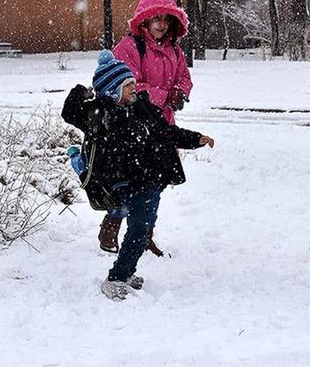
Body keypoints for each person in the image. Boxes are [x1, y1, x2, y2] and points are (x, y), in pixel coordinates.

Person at [62, 50, 214, 300]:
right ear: (112, 90)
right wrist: (82, 92)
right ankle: (116, 278)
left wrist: (196, 139)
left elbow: (168, 132)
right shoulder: (100, 115)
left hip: (152, 178)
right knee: (138, 230)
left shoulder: (143, 109)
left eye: (133, 83)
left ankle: (128, 271)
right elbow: (70, 113)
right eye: (127, 85)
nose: (134, 88)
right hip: (127, 182)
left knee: (144, 229)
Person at [95, 0, 194, 256]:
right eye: (156, 18)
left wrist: (181, 92)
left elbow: (184, 78)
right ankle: (113, 224)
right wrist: (163, 94)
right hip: (133, 127)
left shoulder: (175, 51)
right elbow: (125, 86)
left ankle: (144, 234)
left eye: (166, 18)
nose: (161, 24)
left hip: (162, 126)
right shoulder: (129, 48)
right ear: (145, 20)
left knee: (157, 181)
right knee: (129, 180)